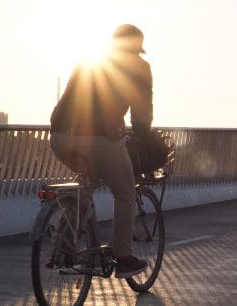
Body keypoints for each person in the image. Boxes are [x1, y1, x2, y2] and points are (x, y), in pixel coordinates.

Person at [49, 24, 153, 278]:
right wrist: (141, 132)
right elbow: (142, 111)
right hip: (99, 138)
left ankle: (64, 249)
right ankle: (124, 257)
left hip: (60, 137)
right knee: (125, 193)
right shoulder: (139, 67)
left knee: (86, 184)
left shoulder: (89, 59)